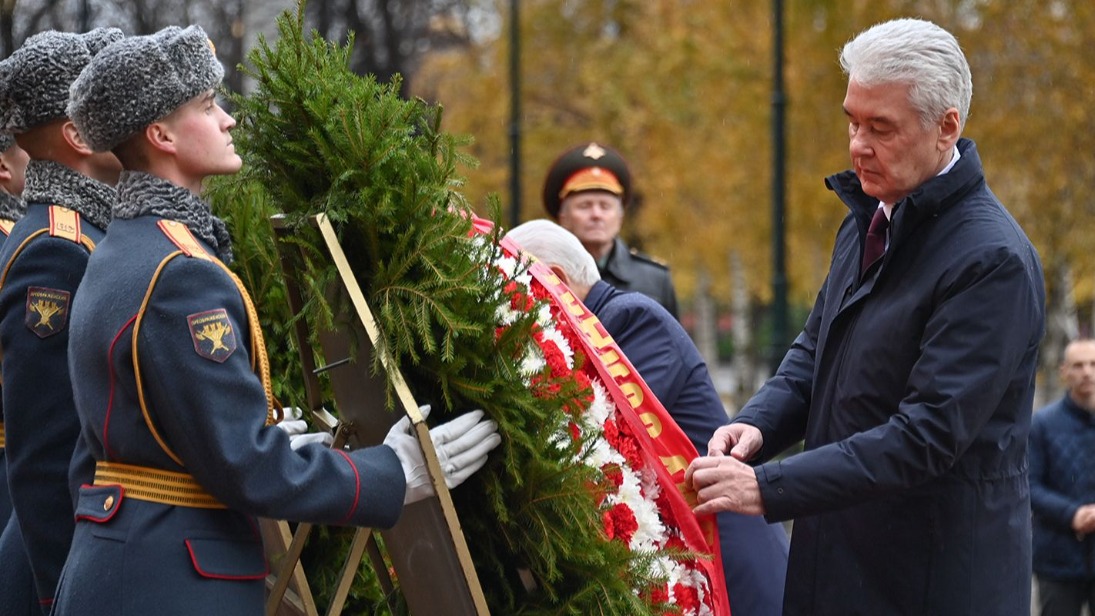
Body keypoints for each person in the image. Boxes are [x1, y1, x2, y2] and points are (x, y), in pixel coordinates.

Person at [54, 25, 500, 615]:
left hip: (130, 564)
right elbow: (247, 469)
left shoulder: (128, 247)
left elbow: (115, 441)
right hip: (171, 585)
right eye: (208, 107)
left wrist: (231, 434)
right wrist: (395, 471)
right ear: (160, 134)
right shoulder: (181, 270)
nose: (228, 120)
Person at [684, 18, 1045, 615]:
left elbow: (926, 435)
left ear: (946, 127)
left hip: (930, 583)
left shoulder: (991, 258)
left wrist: (769, 488)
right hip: (841, 563)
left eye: (881, 127)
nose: (857, 144)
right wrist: (757, 428)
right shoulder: (870, 217)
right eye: (852, 121)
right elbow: (813, 353)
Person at [506, 218, 789, 616]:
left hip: (728, 564)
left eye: (518, 294)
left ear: (554, 280)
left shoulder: (629, 320)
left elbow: (593, 435)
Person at [0, 28, 125, 615]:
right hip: (55, 562)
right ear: (76, 135)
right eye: (109, 105)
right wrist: (59, 592)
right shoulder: (58, 248)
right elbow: (46, 452)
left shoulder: (86, 230)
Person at [541, 142, 679, 318]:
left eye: (605, 206)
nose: (596, 214)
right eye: (584, 206)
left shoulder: (654, 279)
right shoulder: (545, 274)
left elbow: (673, 343)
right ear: (563, 217)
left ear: (620, 217)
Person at [1030, 339, 1095, 616]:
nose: (1087, 372)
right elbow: (1029, 486)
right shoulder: (1042, 424)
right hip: (1057, 560)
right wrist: (1073, 514)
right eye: (1078, 365)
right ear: (1064, 371)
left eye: (1093, 364)